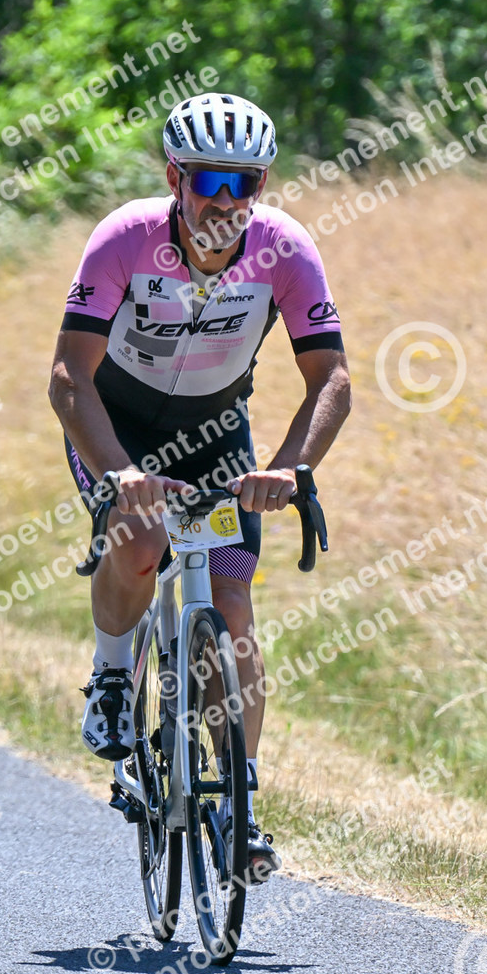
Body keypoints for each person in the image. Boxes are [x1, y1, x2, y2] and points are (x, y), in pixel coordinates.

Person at [48, 92, 352, 882]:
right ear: (174, 179)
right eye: (207, 181)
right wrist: (120, 472)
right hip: (117, 424)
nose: (223, 201)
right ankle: (112, 671)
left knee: (233, 603)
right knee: (141, 542)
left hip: (217, 432)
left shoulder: (284, 249)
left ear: (261, 185)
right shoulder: (125, 238)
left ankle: (236, 800)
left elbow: (331, 379)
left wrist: (289, 467)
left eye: (240, 183)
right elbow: (69, 377)